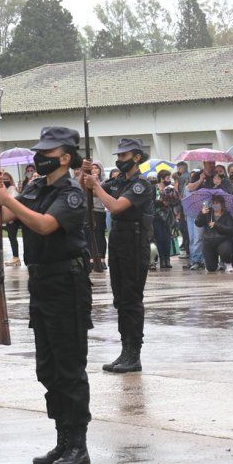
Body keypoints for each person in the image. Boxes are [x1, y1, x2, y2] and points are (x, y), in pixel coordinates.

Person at [0, 126, 93, 464]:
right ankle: (62, 438)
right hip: (41, 283)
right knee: (47, 367)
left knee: (69, 366)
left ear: (65, 158)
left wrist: (8, 199)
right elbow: (2, 218)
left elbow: (45, 225)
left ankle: (78, 444)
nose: (40, 157)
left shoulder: (71, 193)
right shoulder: (34, 187)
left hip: (66, 283)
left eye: (47, 153)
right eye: (39, 152)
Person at [81, 138, 154, 373]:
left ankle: (134, 353)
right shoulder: (117, 181)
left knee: (132, 299)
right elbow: (87, 192)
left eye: (124, 156)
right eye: (119, 156)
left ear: (137, 157)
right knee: (120, 299)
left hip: (135, 244)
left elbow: (115, 206)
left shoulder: (142, 185)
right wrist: (85, 176)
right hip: (118, 241)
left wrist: (96, 186)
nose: (120, 160)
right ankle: (125, 350)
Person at [195, 195, 233, 272]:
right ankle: (214, 263)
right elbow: (198, 223)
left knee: (225, 250)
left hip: (222, 240)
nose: (215, 205)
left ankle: (228, 263)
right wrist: (201, 213)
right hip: (209, 241)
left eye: (217, 203)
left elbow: (229, 230)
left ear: (222, 204)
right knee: (211, 268)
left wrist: (216, 225)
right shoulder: (208, 213)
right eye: (214, 203)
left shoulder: (227, 215)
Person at [152, 169, 179, 270]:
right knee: (159, 238)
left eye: (169, 178)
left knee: (167, 238)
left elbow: (176, 201)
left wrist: (170, 201)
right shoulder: (154, 188)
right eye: (167, 178)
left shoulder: (170, 188)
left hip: (167, 216)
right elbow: (151, 201)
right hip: (157, 216)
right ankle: (162, 259)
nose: (169, 180)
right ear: (161, 178)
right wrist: (160, 202)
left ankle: (167, 259)